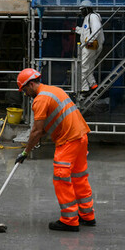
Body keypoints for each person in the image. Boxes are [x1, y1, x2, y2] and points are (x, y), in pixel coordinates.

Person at [15, 68, 96, 232]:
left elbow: (37, 131)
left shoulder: (40, 100)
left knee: (61, 178)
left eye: (24, 89)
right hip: (81, 136)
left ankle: (69, 220)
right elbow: (51, 123)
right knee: (79, 177)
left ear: (30, 84)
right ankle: (87, 215)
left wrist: (25, 152)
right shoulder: (54, 90)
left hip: (68, 141)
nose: (25, 93)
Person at [75, 0, 103, 94]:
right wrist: (77, 29)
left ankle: (84, 89)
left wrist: (88, 42)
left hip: (90, 45)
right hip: (92, 44)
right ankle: (93, 85)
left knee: (83, 66)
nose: (81, 12)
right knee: (89, 67)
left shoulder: (93, 17)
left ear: (87, 9)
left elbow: (96, 30)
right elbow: (85, 31)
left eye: (82, 10)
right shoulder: (89, 17)